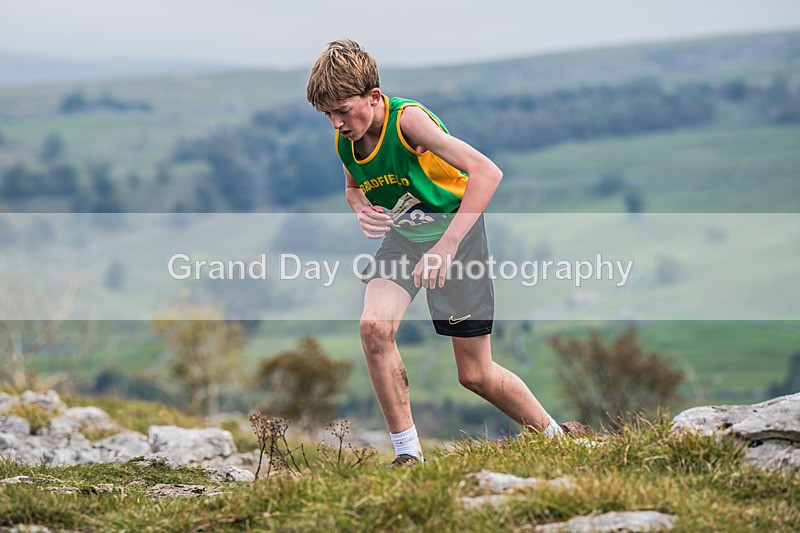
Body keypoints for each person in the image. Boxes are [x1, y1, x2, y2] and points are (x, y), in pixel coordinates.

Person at [306, 39, 580, 466]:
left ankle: (559, 439)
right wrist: (361, 210)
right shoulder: (347, 139)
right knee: (373, 329)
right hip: (405, 238)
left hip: (457, 236)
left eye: (343, 110)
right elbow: (352, 187)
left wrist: (447, 246)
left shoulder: (408, 122)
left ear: (374, 96)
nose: (337, 123)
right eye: (328, 115)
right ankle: (408, 457)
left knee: (475, 375)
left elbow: (487, 172)